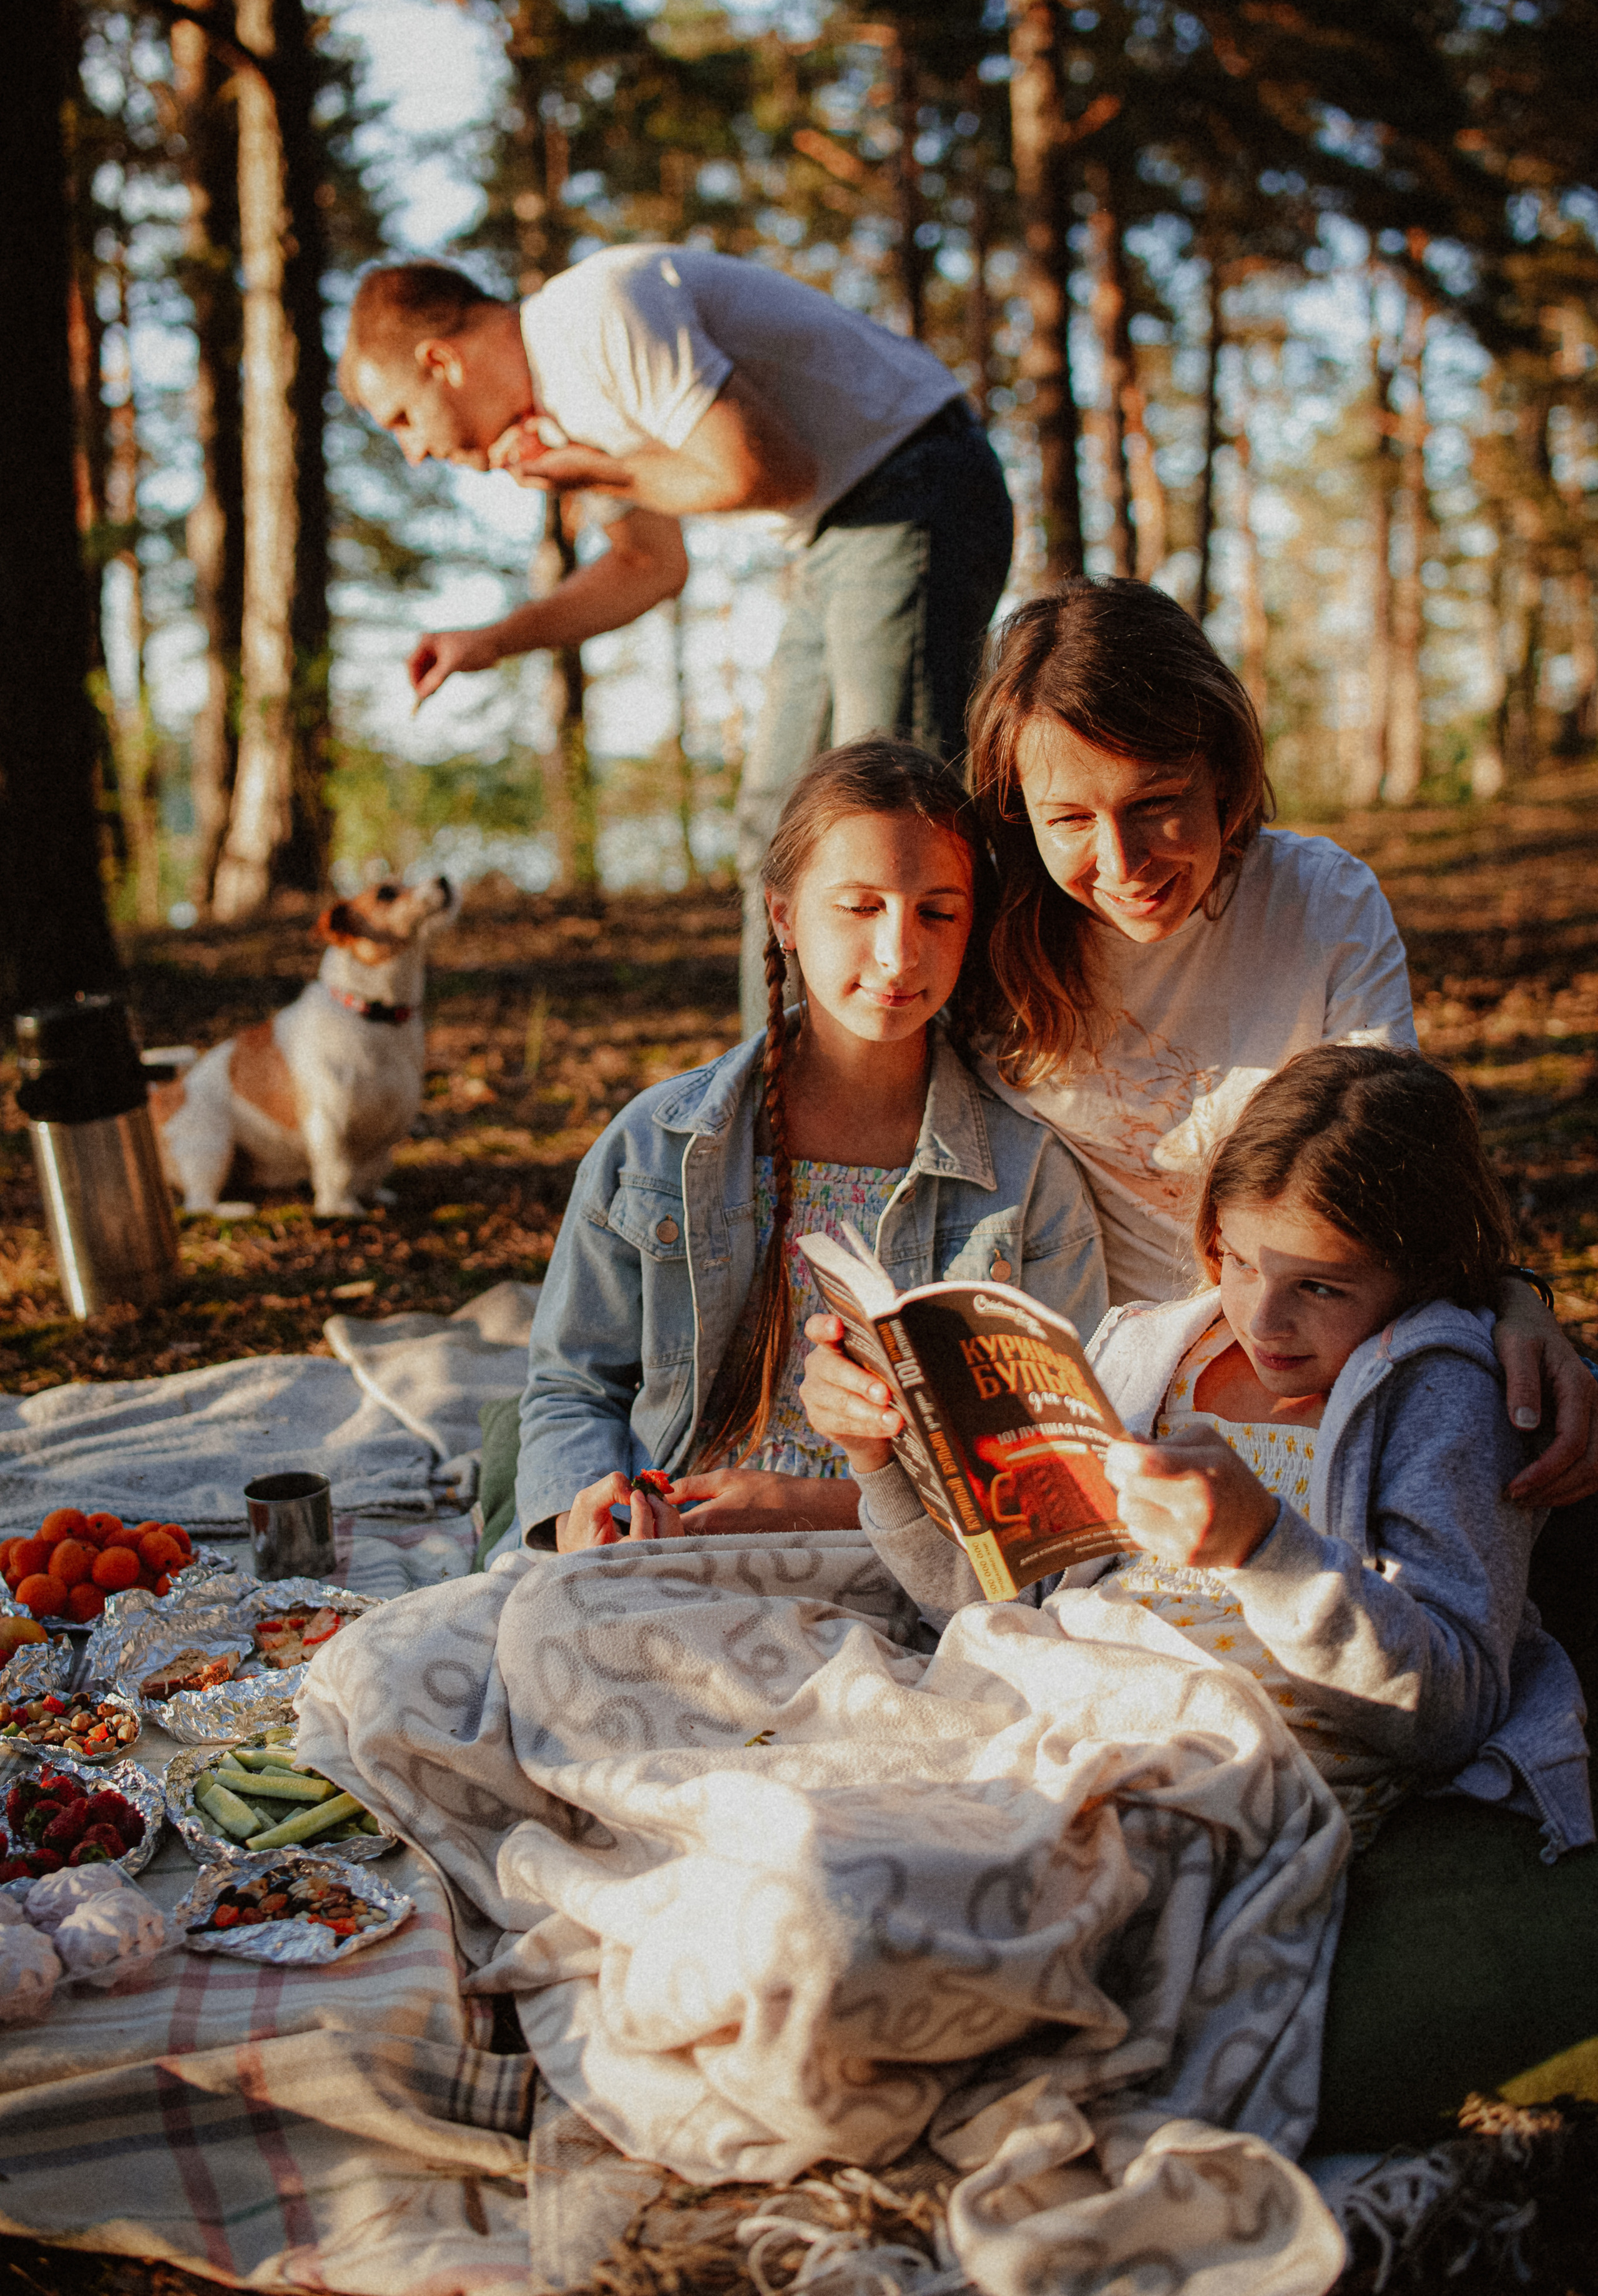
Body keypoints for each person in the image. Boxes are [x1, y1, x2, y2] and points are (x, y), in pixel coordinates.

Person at [803, 1044, 1593, 1859]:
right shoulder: (1149, 1352)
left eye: (1320, 1286)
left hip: (1225, 1759)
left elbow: (1450, 1710)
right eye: (1241, 1262)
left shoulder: (1442, 1395)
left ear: (1420, 1272)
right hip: (1045, 1698)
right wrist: (878, 1459)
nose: (1264, 1320)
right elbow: (994, 1602)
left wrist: (1266, 1550)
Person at [961, 574, 1598, 1504]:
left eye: (1156, 802)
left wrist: (1510, 1298)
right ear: (1018, 811)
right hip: (1118, 1397)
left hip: (1337, 1365)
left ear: (1224, 772)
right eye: (1070, 820)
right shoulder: (982, 945)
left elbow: (1398, 1172)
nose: (1123, 862)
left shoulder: (1318, 902)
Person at [337, 248, 1014, 1031]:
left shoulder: (595, 316)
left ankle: (959, 1070)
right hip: (832, 533)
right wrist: (491, 640)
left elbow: (772, 472)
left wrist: (600, 472)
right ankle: (775, 1083)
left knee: (891, 818)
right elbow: (648, 566)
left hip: (915, 484)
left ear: (440, 362)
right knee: (780, 829)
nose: (414, 451)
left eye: (402, 420)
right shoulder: (557, 418)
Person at [509, 737, 1104, 1553]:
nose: (898, 953)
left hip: (915, 1571)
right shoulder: (654, 1146)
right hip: (666, 1555)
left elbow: (1054, 1466)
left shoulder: (1028, 1178)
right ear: (783, 915)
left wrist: (807, 1506)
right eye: (859, 907)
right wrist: (579, 1524)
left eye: (938, 912)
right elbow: (573, 1385)